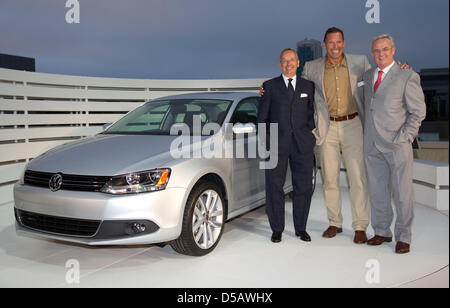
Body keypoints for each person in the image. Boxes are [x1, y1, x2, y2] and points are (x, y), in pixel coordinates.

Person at [301, 27, 371, 244]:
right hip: (327, 127)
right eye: (331, 42)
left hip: (353, 124)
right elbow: (300, 94)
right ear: (324, 44)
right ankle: (335, 223)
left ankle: (360, 226)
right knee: (330, 178)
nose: (335, 46)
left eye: (339, 42)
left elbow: (378, 82)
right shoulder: (311, 67)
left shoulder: (360, 62)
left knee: (358, 178)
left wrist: (400, 69)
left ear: (344, 43)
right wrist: (267, 89)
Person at [360, 34, 426, 254]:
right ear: (372, 53)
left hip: (397, 144)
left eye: (385, 49)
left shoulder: (407, 76)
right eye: (377, 51)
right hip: (372, 145)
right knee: (378, 191)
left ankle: (404, 236)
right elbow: (364, 105)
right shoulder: (367, 76)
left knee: (402, 193)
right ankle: (381, 231)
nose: (381, 54)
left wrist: (405, 137)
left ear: (393, 50)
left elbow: (418, 112)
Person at [257, 48, 316, 243]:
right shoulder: (269, 86)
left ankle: (301, 228)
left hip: (302, 144)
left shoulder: (309, 86)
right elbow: (262, 118)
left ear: (298, 63)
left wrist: (309, 136)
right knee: (274, 186)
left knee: (303, 187)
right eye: (284, 60)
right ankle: (277, 229)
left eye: (292, 60)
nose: (288, 64)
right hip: (276, 144)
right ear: (280, 64)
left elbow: (310, 115)